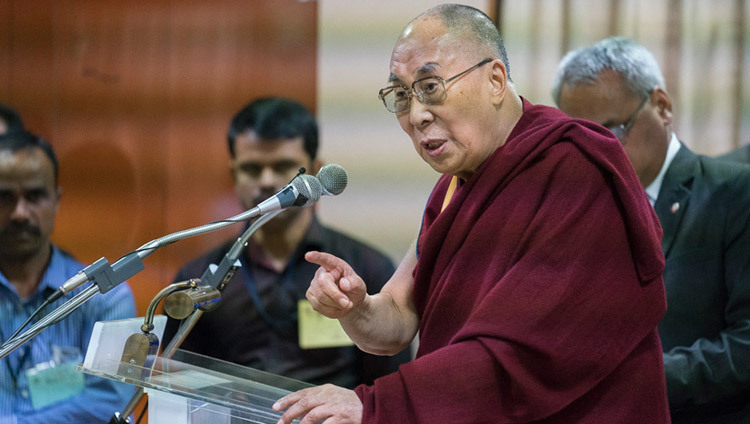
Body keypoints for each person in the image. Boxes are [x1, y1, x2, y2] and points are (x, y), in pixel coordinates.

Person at [274, 5, 670, 423]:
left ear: (495, 80)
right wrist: (355, 308)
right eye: (402, 96)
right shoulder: (453, 188)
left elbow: (518, 357)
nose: (416, 115)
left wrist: (377, 404)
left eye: (430, 86)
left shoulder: (575, 173)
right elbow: (398, 318)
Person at [553, 36, 750, 423]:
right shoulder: (571, 214)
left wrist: (637, 378)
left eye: (613, 131)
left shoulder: (734, 194)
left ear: (661, 106)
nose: (599, 153)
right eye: (581, 140)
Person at [162, 97, 409, 388]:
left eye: (283, 167)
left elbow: (391, 388)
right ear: (233, 174)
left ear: (316, 170)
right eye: (252, 169)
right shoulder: (201, 279)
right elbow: (178, 385)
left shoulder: (365, 267)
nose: (267, 181)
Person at [0, 130, 136, 423]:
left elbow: (111, 401)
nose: (20, 213)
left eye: (35, 196)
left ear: (57, 201)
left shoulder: (106, 296)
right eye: (4, 198)